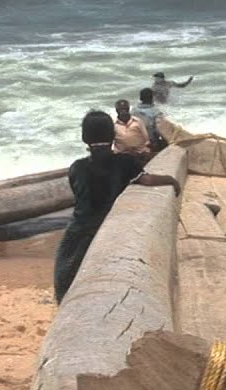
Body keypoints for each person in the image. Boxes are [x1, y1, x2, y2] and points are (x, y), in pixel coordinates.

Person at [53, 111, 181, 302]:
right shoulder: (125, 162)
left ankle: (63, 299)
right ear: (113, 135)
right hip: (109, 225)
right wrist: (170, 180)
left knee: (64, 268)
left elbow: (77, 192)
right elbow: (146, 180)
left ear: (84, 138)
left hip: (80, 227)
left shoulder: (77, 167)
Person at [132, 88, 166, 153]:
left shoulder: (133, 110)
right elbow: (160, 130)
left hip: (134, 139)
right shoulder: (156, 112)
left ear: (140, 98)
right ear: (152, 98)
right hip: (150, 142)